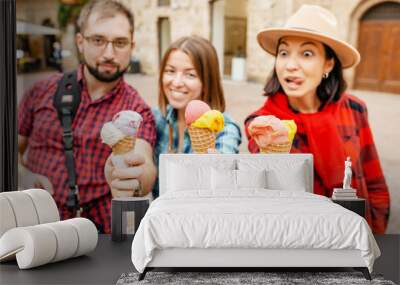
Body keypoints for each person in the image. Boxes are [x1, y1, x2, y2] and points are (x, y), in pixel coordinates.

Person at [244, 5, 389, 233]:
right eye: (283, 53)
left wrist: (375, 233)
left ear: (328, 64)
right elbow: (267, 201)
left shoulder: (354, 109)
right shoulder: (264, 123)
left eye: (307, 53)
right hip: (300, 244)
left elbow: (375, 184)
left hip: (355, 239)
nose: (290, 65)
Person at [18, 0, 157, 233]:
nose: (109, 53)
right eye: (98, 40)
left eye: (120, 43)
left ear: (132, 46)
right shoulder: (41, 91)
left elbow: (144, 164)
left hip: (99, 236)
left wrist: (133, 181)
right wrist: (23, 175)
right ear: (81, 42)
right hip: (36, 228)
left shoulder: (137, 110)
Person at [152, 35, 242, 198]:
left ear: (207, 81)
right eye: (170, 71)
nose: (177, 82)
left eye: (190, 75)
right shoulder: (156, 118)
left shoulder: (224, 128)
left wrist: (218, 169)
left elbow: (221, 181)